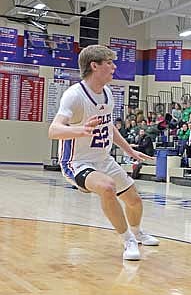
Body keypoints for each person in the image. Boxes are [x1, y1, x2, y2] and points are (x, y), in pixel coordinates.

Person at [48, 45, 159, 261]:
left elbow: (109, 127)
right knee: (107, 187)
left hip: (103, 159)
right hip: (77, 162)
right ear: (94, 66)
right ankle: (127, 240)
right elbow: (53, 130)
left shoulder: (107, 93)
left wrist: (129, 150)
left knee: (134, 200)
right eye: (109, 63)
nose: (114, 67)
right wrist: (81, 129)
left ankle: (137, 233)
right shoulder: (74, 95)